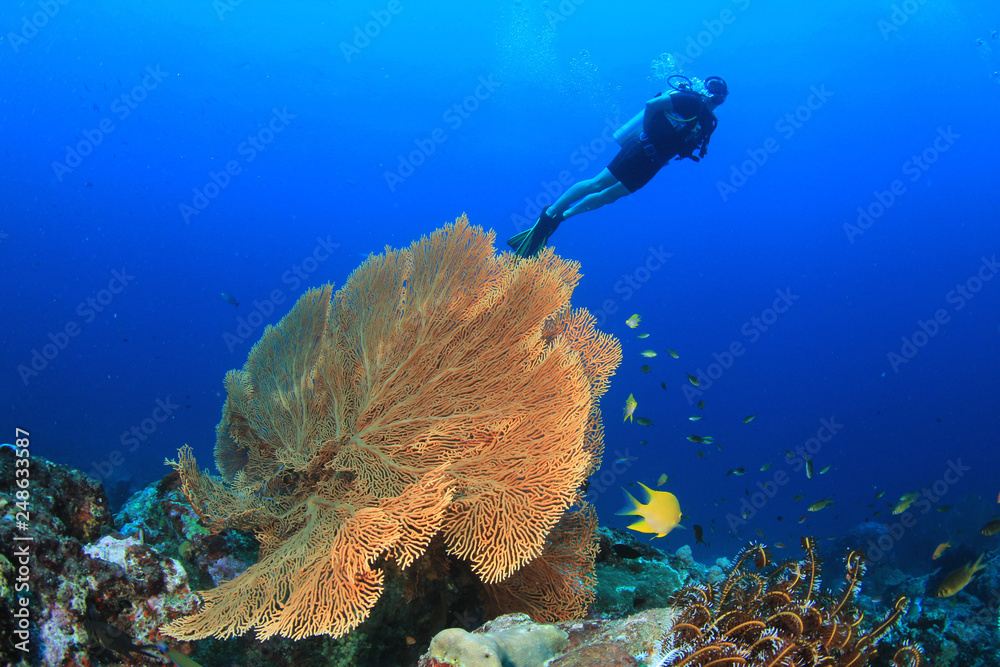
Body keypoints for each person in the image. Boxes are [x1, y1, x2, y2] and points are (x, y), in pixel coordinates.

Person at [508, 75, 728, 258]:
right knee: (598, 183)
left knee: (610, 196)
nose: (717, 95)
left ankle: (560, 218)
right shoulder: (690, 100)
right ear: (706, 89)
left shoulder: (710, 123)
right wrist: (649, 130)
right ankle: (549, 214)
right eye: (715, 89)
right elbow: (652, 105)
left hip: (655, 164)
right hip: (641, 148)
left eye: (722, 94)